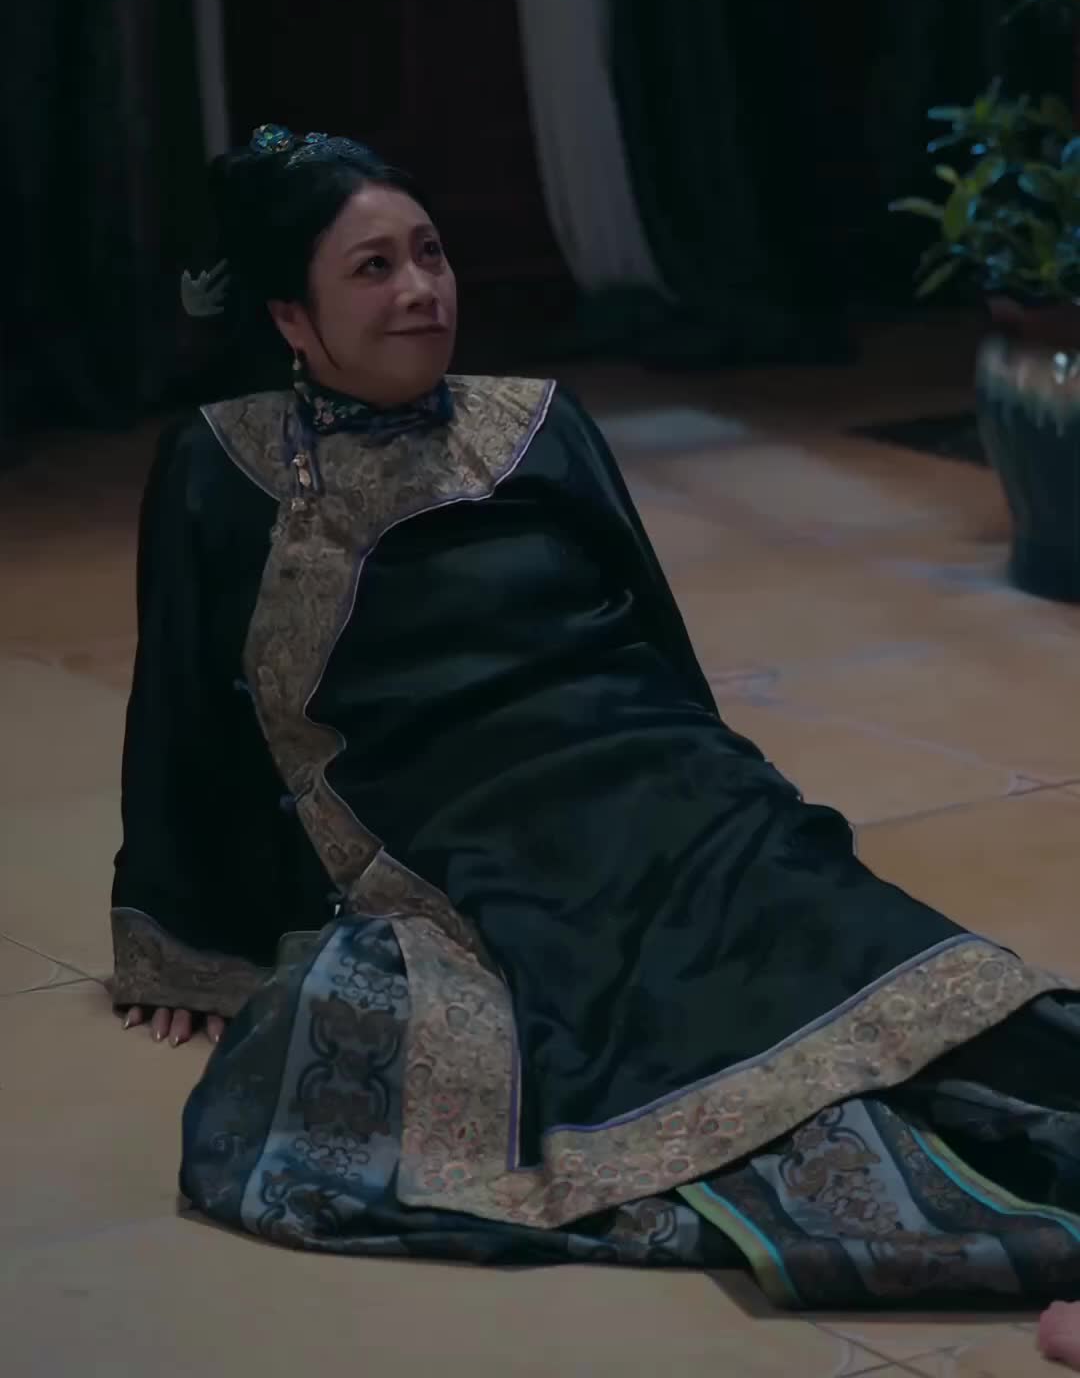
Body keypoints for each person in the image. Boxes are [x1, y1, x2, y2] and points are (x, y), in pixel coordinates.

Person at [113, 124, 1080, 1306]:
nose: (422, 289)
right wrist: (180, 932)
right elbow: (182, 709)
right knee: (597, 974)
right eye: (373, 268)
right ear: (290, 319)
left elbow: (653, 639)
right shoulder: (221, 465)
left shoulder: (538, 422)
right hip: (458, 820)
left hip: (645, 762)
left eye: (431, 253)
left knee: (820, 914)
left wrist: (730, 788)